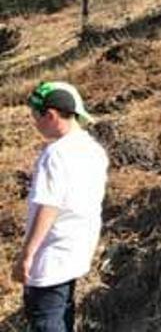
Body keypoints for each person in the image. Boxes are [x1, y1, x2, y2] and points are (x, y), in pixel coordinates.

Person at [14, 82, 108, 332]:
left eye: (36, 117)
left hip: (51, 255)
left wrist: (27, 254)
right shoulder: (93, 149)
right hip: (77, 248)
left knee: (46, 320)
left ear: (51, 115)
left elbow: (49, 206)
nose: (35, 124)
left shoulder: (55, 154)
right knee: (63, 312)